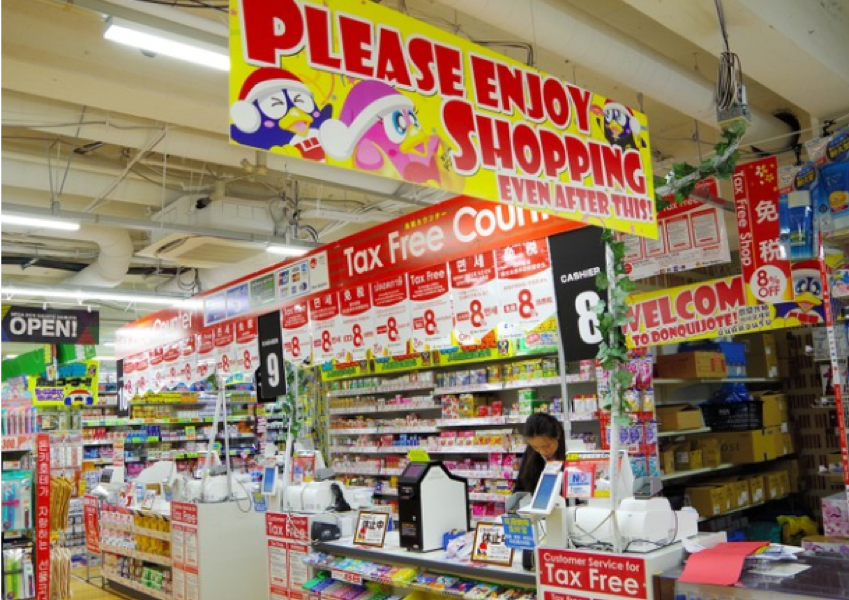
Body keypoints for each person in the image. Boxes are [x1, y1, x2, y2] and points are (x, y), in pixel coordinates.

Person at [515, 413, 567, 494]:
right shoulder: (531, 452)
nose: (542, 452)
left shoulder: (570, 452)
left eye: (546, 446)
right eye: (535, 447)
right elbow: (520, 487)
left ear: (557, 436)